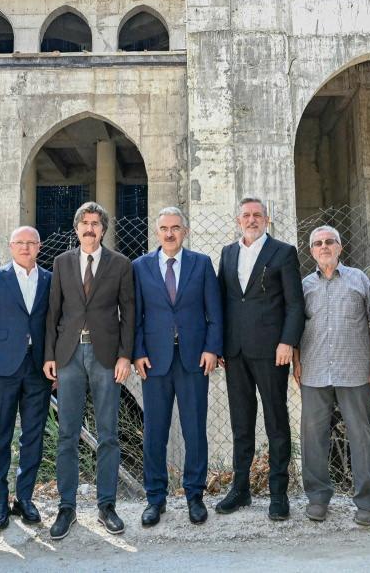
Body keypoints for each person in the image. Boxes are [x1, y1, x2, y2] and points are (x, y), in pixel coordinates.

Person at [43, 202, 135, 539]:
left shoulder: (121, 264)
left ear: (104, 229)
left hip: (106, 357)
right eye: (84, 222)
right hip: (68, 356)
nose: (90, 229)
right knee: (67, 433)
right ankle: (66, 508)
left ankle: (106, 505)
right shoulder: (61, 263)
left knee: (108, 433)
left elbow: (129, 311)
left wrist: (126, 356)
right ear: (76, 227)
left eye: (96, 223)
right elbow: (53, 312)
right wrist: (49, 354)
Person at [132, 206, 223, 528]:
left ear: (184, 231)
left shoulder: (201, 264)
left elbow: (215, 311)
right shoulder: (140, 267)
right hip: (154, 361)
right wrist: (137, 352)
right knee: (155, 432)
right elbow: (135, 316)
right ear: (157, 232)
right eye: (164, 228)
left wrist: (213, 348)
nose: (169, 233)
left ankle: (194, 496)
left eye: (175, 227)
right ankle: (155, 498)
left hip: (193, 359)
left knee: (194, 430)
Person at [215, 196, 304, 521]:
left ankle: (278, 493)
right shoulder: (228, 253)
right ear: (238, 220)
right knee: (241, 423)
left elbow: (295, 304)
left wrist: (287, 342)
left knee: (276, 422)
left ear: (266, 219)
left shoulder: (283, 252)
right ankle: (240, 489)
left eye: (257, 215)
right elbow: (222, 301)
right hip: (235, 351)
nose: (251, 220)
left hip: (271, 351)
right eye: (246, 215)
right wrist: (220, 344)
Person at [294, 225, 370, 525]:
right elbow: (295, 328)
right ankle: (318, 498)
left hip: (354, 371)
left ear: (340, 247)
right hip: (314, 370)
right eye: (318, 243)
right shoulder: (304, 286)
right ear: (311, 251)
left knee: (361, 437)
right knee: (313, 438)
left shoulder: (359, 280)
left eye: (330, 241)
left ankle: (367, 502)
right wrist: (296, 362)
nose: (324, 247)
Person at [0, 226, 53, 531]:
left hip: (37, 369)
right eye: (20, 243)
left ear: (39, 246)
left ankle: (25, 498)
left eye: (31, 242)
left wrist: (51, 360)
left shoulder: (49, 279)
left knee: (33, 435)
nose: (25, 247)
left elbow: (53, 324)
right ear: (10, 246)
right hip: (2, 369)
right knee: (0, 436)